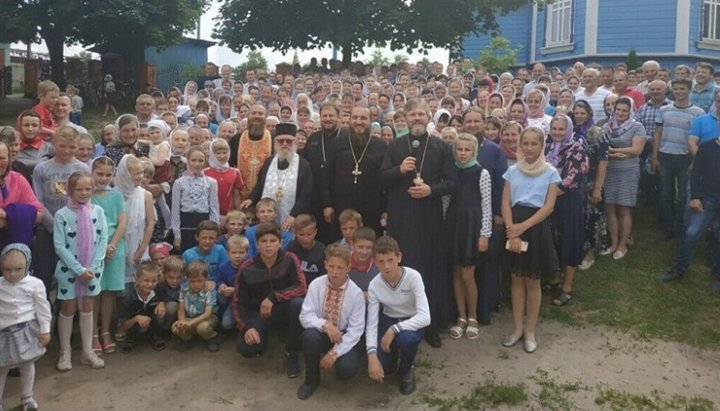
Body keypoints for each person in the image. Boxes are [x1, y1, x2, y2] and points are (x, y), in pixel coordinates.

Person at [380, 99, 457, 348]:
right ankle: (403, 321)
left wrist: (430, 190)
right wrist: (399, 170)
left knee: (429, 272)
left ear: (428, 117)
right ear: (405, 117)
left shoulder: (441, 147)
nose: (416, 118)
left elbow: (452, 182)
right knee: (403, 270)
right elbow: (381, 178)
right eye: (412, 114)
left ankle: (430, 325)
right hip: (401, 220)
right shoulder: (395, 146)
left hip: (429, 220)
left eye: (421, 114)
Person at [501, 126, 560, 354]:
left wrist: (522, 228)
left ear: (542, 145)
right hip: (513, 224)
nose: (529, 148)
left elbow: (549, 206)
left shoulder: (550, 172)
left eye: (534, 144)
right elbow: (506, 202)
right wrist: (510, 229)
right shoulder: (512, 171)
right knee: (516, 278)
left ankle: (530, 330)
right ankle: (517, 328)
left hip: (535, 227)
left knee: (532, 281)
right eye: (525, 143)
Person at [232, 222, 307, 377]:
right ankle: (263, 337)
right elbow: (238, 303)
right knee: (247, 348)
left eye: (273, 241)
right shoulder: (247, 267)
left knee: (298, 304)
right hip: (258, 313)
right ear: (257, 244)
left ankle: (291, 353)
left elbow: (301, 287)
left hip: (283, 309)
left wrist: (273, 297)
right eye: (264, 241)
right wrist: (247, 327)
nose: (268, 246)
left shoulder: (289, 259)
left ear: (280, 243)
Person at [54, 170, 109, 371]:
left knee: (87, 307)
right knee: (68, 308)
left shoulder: (98, 211)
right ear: (70, 190)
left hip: (93, 270)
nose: (83, 193)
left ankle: (87, 351)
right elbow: (59, 245)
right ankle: (65, 352)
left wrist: (92, 268)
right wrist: (78, 270)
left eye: (88, 188)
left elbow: (103, 239)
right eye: (79, 189)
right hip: (70, 271)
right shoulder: (62, 215)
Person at [297, 244, 366, 399]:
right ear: (325, 265)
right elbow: (305, 315)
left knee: (347, 371)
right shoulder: (316, 284)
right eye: (331, 266)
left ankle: (339, 362)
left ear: (348, 267)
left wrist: (335, 353)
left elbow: (356, 330)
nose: (334, 272)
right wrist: (326, 325)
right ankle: (311, 380)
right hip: (322, 332)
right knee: (309, 336)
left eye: (340, 267)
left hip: (344, 336)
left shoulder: (356, 294)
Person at [366, 235, 430, 395]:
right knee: (385, 368)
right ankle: (391, 356)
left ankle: (406, 369)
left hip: (411, 320)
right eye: (381, 262)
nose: (387, 267)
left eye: (390, 260)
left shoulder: (413, 277)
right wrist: (371, 355)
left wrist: (395, 329)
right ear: (374, 262)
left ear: (399, 257)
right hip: (388, 320)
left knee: (406, 339)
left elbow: (425, 317)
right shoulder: (374, 285)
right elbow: (372, 323)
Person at [32, 127, 90, 293]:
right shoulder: (41, 169)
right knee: (45, 271)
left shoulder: (82, 169)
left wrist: (70, 226)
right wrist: (54, 226)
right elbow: (38, 200)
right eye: (62, 146)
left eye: (72, 147)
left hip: (74, 230)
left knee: (69, 273)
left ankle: (64, 310)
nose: (67, 150)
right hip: (47, 229)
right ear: (54, 144)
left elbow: (86, 200)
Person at [659, 135, 720, 291]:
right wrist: (694, 197)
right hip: (708, 198)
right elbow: (695, 173)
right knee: (691, 233)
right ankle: (679, 269)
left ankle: (717, 275)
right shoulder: (707, 147)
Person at [446, 133, 492, 340]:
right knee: (456, 272)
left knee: (467, 274)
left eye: (467, 150)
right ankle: (461, 316)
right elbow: (446, 201)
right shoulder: (450, 171)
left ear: (474, 151)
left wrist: (484, 234)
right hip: (453, 224)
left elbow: (486, 205)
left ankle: (473, 315)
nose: (463, 153)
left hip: (472, 225)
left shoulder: (481, 173)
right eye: (459, 149)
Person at [0, 244, 52, 411]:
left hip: (26, 332)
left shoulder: (35, 284)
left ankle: (27, 397)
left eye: (18, 269)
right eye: (7, 269)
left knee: (27, 365)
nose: (13, 274)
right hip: (4, 334)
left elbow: (43, 309)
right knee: (2, 368)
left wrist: (45, 329)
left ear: (27, 265)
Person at [322, 106, 388, 238]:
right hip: (341, 205)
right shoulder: (336, 144)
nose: (359, 121)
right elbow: (326, 177)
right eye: (355, 118)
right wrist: (327, 204)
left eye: (363, 118)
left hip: (372, 207)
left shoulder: (381, 146)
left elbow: (386, 181)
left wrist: (386, 209)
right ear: (349, 120)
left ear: (371, 120)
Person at [652, 79, 705, 238]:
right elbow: (658, 134)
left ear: (689, 90)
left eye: (682, 89)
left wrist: (695, 162)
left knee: (684, 195)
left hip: (685, 158)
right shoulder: (664, 110)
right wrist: (655, 156)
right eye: (675, 89)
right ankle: (668, 227)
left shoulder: (698, 113)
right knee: (665, 193)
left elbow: (699, 141)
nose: (679, 92)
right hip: (665, 156)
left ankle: (682, 227)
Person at [545, 116, 587, 306]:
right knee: (553, 239)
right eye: (554, 128)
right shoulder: (547, 146)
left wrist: (552, 191)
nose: (557, 132)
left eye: (561, 129)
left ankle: (567, 286)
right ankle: (554, 278)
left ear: (568, 129)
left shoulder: (576, 148)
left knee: (570, 240)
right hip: (550, 200)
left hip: (569, 200)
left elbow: (572, 177)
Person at [243, 123, 313, 232]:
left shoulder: (303, 165)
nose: (285, 144)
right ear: (276, 142)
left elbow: (306, 195)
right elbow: (260, 184)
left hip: (291, 217)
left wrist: (293, 215)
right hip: (268, 213)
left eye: (289, 141)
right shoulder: (269, 161)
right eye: (281, 141)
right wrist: (251, 198)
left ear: (295, 142)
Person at [601, 97, 646, 260]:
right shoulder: (607, 126)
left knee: (624, 209)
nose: (620, 113)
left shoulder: (637, 127)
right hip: (609, 170)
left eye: (624, 110)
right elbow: (602, 147)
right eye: (617, 110)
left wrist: (613, 151)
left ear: (630, 111)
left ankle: (622, 245)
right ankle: (613, 243)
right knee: (609, 207)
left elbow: (637, 150)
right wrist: (616, 153)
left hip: (628, 171)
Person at [91, 157, 127, 354]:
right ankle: (93, 334)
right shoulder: (87, 195)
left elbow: (122, 222)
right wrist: (99, 247)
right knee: (94, 291)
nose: (104, 178)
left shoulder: (117, 196)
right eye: (100, 174)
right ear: (92, 173)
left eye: (108, 174)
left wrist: (112, 245)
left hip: (114, 247)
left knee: (108, 292)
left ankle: (105, 331)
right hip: (93, 248)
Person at [572, 101, 609, 271]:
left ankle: (591, 253)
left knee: (593, 216)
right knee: (579, 216)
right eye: (576, 112)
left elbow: (603, 162)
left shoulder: (598, 132)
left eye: (582, 113)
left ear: (589, 113)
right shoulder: (570, 130)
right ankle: (578, 248)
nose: (579, 116)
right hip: (575, 182)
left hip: (592, 180)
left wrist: (598, 188)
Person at [114, 155, 155, 291]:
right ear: (125, 174)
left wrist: (142, 249)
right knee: (119, 288)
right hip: (119, 246)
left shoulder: (145, 195)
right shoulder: (114, 195)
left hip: (138, 245)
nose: (140, 177)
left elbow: (150, 224)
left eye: (141, 172)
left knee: (139, 286)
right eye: (136, 173)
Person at [303, 103, 341, 243]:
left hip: (338, 196)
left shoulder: (346, 136)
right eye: (324, 116)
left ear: (338, 117)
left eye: (331, 115)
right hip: (316, 197)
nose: (327, 119)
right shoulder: (313, 138)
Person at [171, 146, 220, 253]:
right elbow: (175, 211)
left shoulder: (211, 182)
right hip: (186, 223)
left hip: (204, 221)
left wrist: (214, 231)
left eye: (200, 160)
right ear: (187, 160)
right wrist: (177, 235)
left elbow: (214, 208)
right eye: (193, 160)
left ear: (205, 161)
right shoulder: (179, 182)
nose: (197, 164)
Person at [0, 140, 43, 251]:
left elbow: (39, 214)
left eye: (2, 158)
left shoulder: (17, 179)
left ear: (9, 160)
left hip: (13, 251)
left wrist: (9, 215)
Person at [172, 260, 221, 352]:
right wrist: (182, 322)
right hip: (189, 317)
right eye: (192, 281)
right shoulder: (184, 288)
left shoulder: (209, 291)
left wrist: (190, 324)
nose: (196, 284)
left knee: (202, 328)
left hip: (207, 318)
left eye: (199, 281)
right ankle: (188, 339)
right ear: (187, 279)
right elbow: (181, 309)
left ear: (206, 279)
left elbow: (208, 313)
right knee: (176, 327)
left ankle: (211, 338)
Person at [116, 262, 165, 352]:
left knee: (161, 314)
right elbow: (123, 326)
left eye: (154, 281)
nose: (150, 284)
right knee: (140, 327)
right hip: (135, 326)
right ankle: (132, 339)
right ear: (137, 280)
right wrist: (136, 318)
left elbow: (164, 298)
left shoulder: (158, 289)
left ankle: (156, 336)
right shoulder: (129, 298)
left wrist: (161, 303)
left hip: (152, 320)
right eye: (146, 280)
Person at [229, 104, 272, 199]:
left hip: (266, 200)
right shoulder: (236, 140)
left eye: (260, 113)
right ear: (248, 116)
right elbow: (230, 167)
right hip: (240, 197)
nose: (257, 116)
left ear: (265, 117)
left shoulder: (273, 139)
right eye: (253, 113)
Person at [216, 234, 249, 331]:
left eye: (241, 252)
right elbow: (219, 280)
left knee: (229, 323)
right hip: (230, 299)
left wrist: (237, 290)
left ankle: (242, 324)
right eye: (234, 252)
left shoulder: (250, 266)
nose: (237, 256)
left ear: (246, 253)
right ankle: (220, 317)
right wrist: (222, 286)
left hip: (246, 300)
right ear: (228, 253)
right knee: (226, 324)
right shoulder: (224, 267)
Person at [205, 139, 244, 217]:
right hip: (208, 213)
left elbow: (236, 195)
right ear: (212, 154)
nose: (222, 156)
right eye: (218, 153)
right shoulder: (205, 172)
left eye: (224, 153)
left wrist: (238, 213)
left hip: (228, 214)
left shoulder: (235, 172)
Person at [286, 214, 326, 285]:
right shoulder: (290, 248)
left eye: (309, 234)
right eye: (302, 235)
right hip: (295, 288)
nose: (306, 238)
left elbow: (324, 277)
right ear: (295, 233)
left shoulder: (323, 251)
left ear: (315, 232)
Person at [15, 111, 53, 179]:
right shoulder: (12, 147)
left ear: (40, 128)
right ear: (19, 127)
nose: (30, 129)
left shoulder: (48, 147)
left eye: (34, 125)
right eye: (26, 125)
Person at [154, 256, 184, 337]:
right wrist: (160, 302)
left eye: (178, 277)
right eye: (170, 277)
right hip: (159, 312)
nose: (174, 281)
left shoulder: (184, 285)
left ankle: (168, 328)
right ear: (164, 274)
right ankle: (158, 330)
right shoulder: (157, 284)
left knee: (173, 306)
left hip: (176, 311)